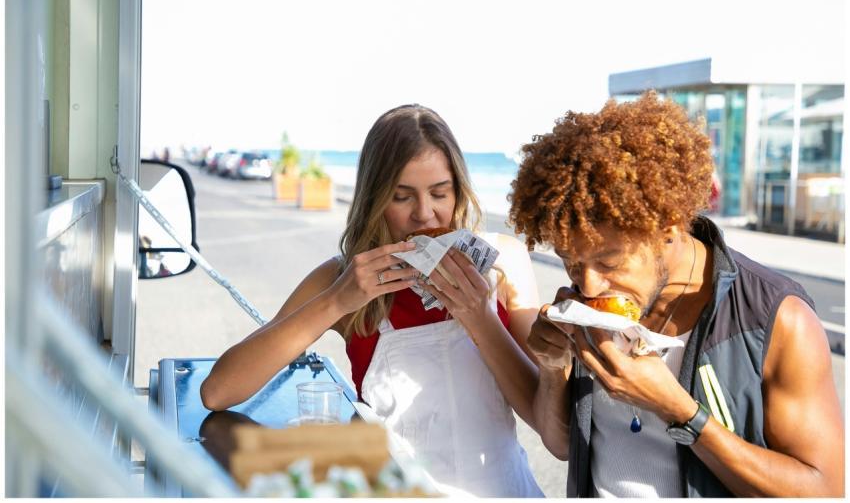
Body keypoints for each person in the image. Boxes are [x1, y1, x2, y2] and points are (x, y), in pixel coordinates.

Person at [509, 91, 844, 497]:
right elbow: (561, 446)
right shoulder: (582, 309)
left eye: (610, 263)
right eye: (571, 262)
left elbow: (822, 490)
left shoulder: (775, 318)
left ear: (668, 230)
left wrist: (679, 411)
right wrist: (551, 368)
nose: (589, 285)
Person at [201, 104, 544, 497]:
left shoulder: (504, 263)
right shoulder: (343, 277)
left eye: (439, 193)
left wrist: (482, 318)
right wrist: (335, 302)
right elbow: (218, 391)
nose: (425, 214)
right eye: (402, 196)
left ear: (459, 190)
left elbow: (546, 418)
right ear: (375, 199)